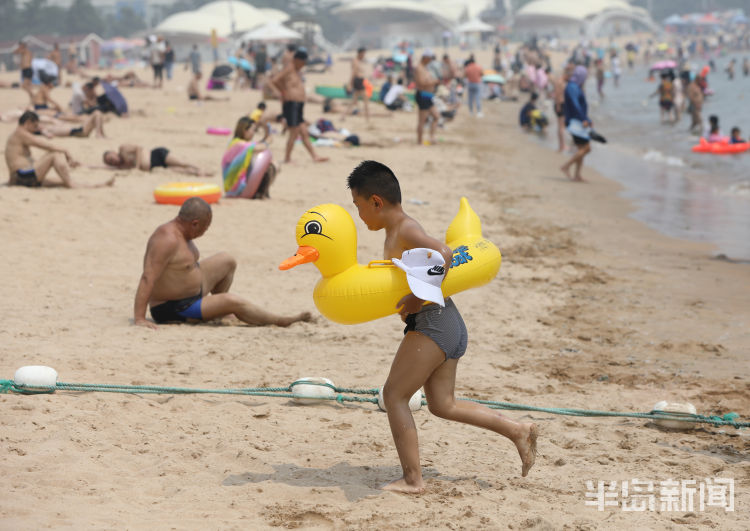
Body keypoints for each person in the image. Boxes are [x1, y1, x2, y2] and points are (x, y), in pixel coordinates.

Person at [346, 160, 538, 493]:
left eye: (358, 207)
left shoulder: (405, 229)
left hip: (433, 323)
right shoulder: (397, 230)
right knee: (442, 404)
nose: (359, 216)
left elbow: (444, 254)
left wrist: (416, 302)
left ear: (376, 202)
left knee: (394, 396)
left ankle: (413, 480)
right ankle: (518, 430)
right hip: (446, 322)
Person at [134, 198, 311, 329]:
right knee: (232, 301)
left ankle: (220, 311)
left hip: (193, 293)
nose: (205, 231)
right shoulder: (167, 239)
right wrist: (140, 318)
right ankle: (280, 321)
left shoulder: (182, 233)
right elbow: (148, 277)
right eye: (205, 227)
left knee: (226, 260)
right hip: (175, 307)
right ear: (194, 224)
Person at [4, 111, 113, 188]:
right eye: (35, 126)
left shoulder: (18, 135)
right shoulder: (21, 134)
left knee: (61, 181)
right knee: (55, 154)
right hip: (21, 177)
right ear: (28, 123)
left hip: (22, 177)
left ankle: (94, 185)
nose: (36, 129)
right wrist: (66, 151)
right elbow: (46, 145)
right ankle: (72, 185)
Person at [267, 48, 328, 163]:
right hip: (291, 104)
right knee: (294, 132)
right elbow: (274, 80)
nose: (304, 65)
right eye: (303, 63)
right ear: (297, 60)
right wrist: (283, 92)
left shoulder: (296, 69)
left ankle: (315, 156)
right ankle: (287, 158)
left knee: (304, 132)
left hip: (298, 104)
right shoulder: (289, 68)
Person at [560, 65, 591, 182]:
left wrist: (587, 119)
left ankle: (577, 175)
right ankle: (566, 166)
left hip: (577, 120)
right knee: (587, 148)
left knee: (581, 148)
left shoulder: (575, 86)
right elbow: (575, 104)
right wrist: (584, 119)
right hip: (575, 121)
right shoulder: (572, 87)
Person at [102, 144, 212, 176]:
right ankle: (198, 173)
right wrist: (86, 165)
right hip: (154, 166)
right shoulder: (121, 166)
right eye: (111, 162)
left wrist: (137, 167)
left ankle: (200, 168)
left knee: (181, 163)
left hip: (157, 155)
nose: (113, 161)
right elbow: (103, 167)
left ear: (113, 152)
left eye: (112, 158)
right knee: (178, 170)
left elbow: (138, 148)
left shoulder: (123, 149)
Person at [414, 50, 440, 145]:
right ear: (425, 58)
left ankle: (431, 137)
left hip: (428, 96)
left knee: (436, 116)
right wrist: (434, 82)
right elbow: (422, 83)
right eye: (429, 59)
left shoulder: (425, 68)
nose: (430, 61)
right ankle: (419, 141)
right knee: (422, 120)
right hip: (422, 95)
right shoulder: (419, 68)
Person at [343, 47, 370, 122]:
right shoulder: (355, 61)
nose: (364, 55)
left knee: (353, 100)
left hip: (359, 81)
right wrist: (350, 84)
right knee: (365, 99)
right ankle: (367, 118)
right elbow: (353, 73)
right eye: (363, 54)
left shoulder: (358, 61)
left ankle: (343, 116)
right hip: (357, 81)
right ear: (360, 53)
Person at [551, 64, 571, 152]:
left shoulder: (559, 81)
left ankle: (561, 145)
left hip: (560, 105)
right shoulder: (560, 82)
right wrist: (558, 106)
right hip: (560, 105)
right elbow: (558, 95)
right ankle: (562, 146)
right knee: (561, 127)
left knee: (561, 126)